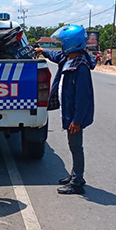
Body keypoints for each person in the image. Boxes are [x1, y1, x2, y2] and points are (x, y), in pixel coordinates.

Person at [34, 25, 95, 195]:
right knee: (73, 145)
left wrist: (77, 120)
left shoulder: (80, 66)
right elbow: (54, 55)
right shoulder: (69, 58)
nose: (61, 45)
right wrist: (42, 50)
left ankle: (77, 182)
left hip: (75, 114)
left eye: (63, 42)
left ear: (70, 43)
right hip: (68, 110)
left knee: (76, 146)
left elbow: (82, 97)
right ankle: (75, 175)